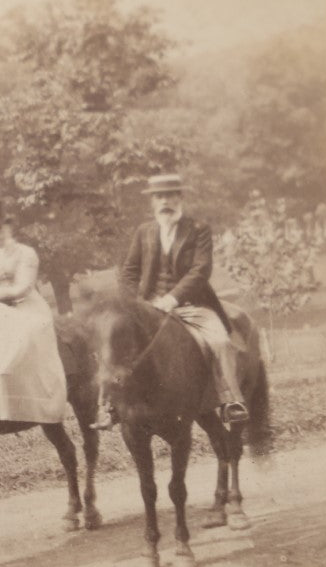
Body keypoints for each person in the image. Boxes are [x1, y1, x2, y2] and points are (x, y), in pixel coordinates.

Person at [97, 172, 248, 429]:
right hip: (148, 309)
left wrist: (172, 298)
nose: (164, 202)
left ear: (180, 197)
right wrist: (134, 304)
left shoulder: (198, 230)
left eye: (169, 195)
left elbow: (200, 271)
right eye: (159, 197)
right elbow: (129, 272)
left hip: (191, 307)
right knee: (114, 340)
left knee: (220, 342)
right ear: (152, 202)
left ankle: (230, 402)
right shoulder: (144, 231)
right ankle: (110, 406)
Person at [0, 201, 68, 425]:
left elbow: (22, 288)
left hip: (27, 307)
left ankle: (41, 395)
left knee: (26, 332)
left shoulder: (25, 253)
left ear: (9, 227)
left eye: (1, 228)